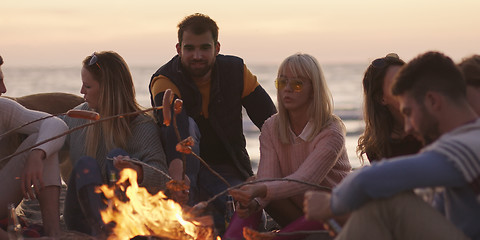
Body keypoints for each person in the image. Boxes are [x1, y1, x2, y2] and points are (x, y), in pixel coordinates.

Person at [303, 51, 480, 240]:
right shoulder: (461, 142)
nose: (409, 126)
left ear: (433, 101)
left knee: (387, 205)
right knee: (380, 204)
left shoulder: (470, 142)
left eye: (409, 112)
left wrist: (332, 203)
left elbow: (369, 179)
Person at [149, 13, 277, 233]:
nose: (197, 55)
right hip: (183, 171)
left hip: (227, 168)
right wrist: (178, 178)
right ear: (178, 49)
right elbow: (174, 128)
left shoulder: (236, 71)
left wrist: (263, 174)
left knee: (248, 217)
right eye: (189, 48)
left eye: (204, 48)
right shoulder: (164, 80)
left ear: (217, 48)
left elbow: (270, 121)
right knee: (187, 124)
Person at [225, 53, 351, 240]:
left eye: (297, 84)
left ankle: (280, 236)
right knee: (255, 185)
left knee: (260, 187)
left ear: (314, 89)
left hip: (334, 215)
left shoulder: (331, 131)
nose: (288, 89)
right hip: (296, 211)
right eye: (282, 83)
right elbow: (267, 180)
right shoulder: (271, 127)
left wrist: (260, 190)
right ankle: (232, 237)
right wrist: (254, 202)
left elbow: (304, 180)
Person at [63, 51, 170, 236]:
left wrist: (137, 170)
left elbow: (162, 177)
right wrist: (37, 152)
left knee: (116, 158)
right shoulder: (78, 117)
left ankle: (113, 229)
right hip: (83, 217)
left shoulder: (142, 125)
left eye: (87, 86)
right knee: (86, 165)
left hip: (124, 216)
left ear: (107, 89)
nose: (81, 92)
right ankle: (104, 230)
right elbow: (47, 128)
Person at [0, 55, 68, 239]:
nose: (4, 89)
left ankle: (53, 232)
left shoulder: (2, 108)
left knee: (42, 140)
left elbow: (56, 124)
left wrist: (37, 154)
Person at [357, 53, 422, 163]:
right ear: (381, 98)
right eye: (398, 84)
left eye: (408, 80)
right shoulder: (377, 147)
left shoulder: (432, 128)